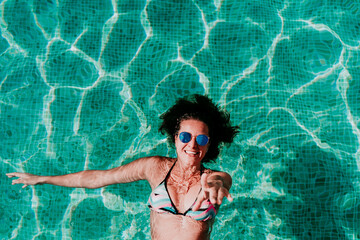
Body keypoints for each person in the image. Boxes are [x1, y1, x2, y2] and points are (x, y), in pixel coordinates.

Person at [7, 94, 239, 240]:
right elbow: (99, 178)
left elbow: (221, 180)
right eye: (186, 136)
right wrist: (41, 178)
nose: (192, 145)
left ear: (209, 145)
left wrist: (217, 184)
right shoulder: (154, 167)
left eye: (202, 139)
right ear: (175, 137)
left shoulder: (213, 180)